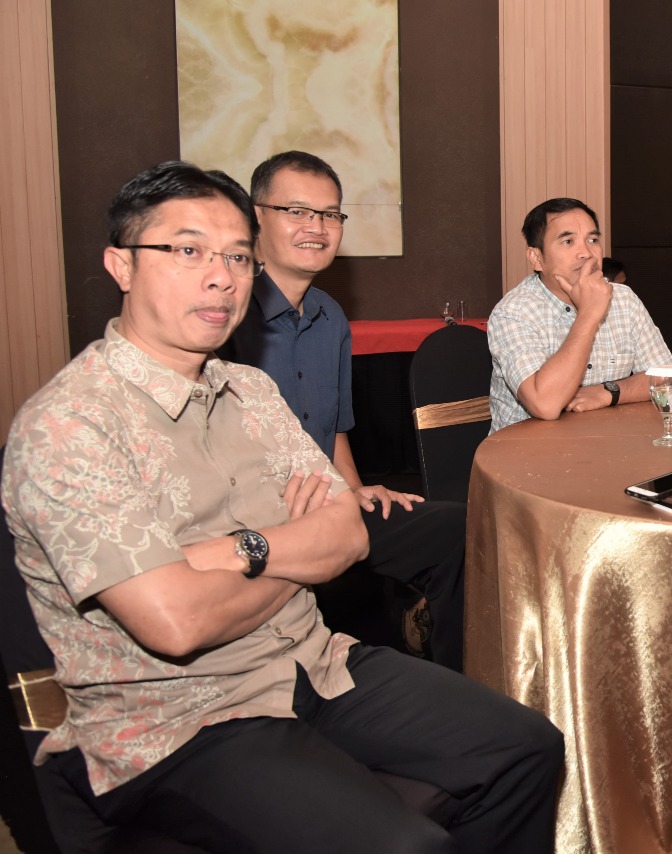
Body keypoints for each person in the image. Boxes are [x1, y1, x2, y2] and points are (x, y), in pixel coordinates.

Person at [1, 161, 563, 853]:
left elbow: (348, 533)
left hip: (313, 663)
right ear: (122, 265)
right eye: (187, 251)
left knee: (528, 746)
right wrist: (297, 547)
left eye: (237, 256)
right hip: (177, 719)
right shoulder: (69, 424)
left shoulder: (251, 391)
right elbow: (177, 623)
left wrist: (245, 549)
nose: (221, 276)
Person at [220, 151, 464, 671]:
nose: (316, 227)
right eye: (297, 211)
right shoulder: (226, 316)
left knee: (457, 527)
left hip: (327, 504)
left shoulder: (330, 316)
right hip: (258, 521)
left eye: (329, 214)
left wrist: (352, 488)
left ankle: (453, 679)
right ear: (255, 217)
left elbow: (334, 429)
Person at [488, 197, 672, 431]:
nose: (586, 253)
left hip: (608, 441)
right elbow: (545, 404)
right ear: (537, 258)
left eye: (592, 240)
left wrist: (609, 392)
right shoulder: (513, 312)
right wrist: (588, 314)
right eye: (568, 241)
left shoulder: (623, 298)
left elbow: (668, 378)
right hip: (531, 448)